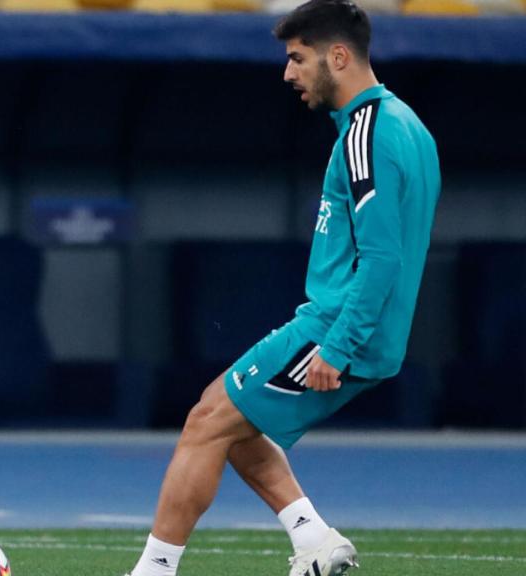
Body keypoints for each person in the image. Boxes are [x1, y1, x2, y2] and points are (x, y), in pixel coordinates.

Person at [124, 2, 440, 575]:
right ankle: (314, 540)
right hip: (361, 326)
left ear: (337, 56)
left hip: (340, 327)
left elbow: (383, 257)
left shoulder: (367, 134)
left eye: (298, 58)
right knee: (236, 419)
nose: (287, 73)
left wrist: (339, 345)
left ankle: (153, 570)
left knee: (206, 420)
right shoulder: (408, 125)